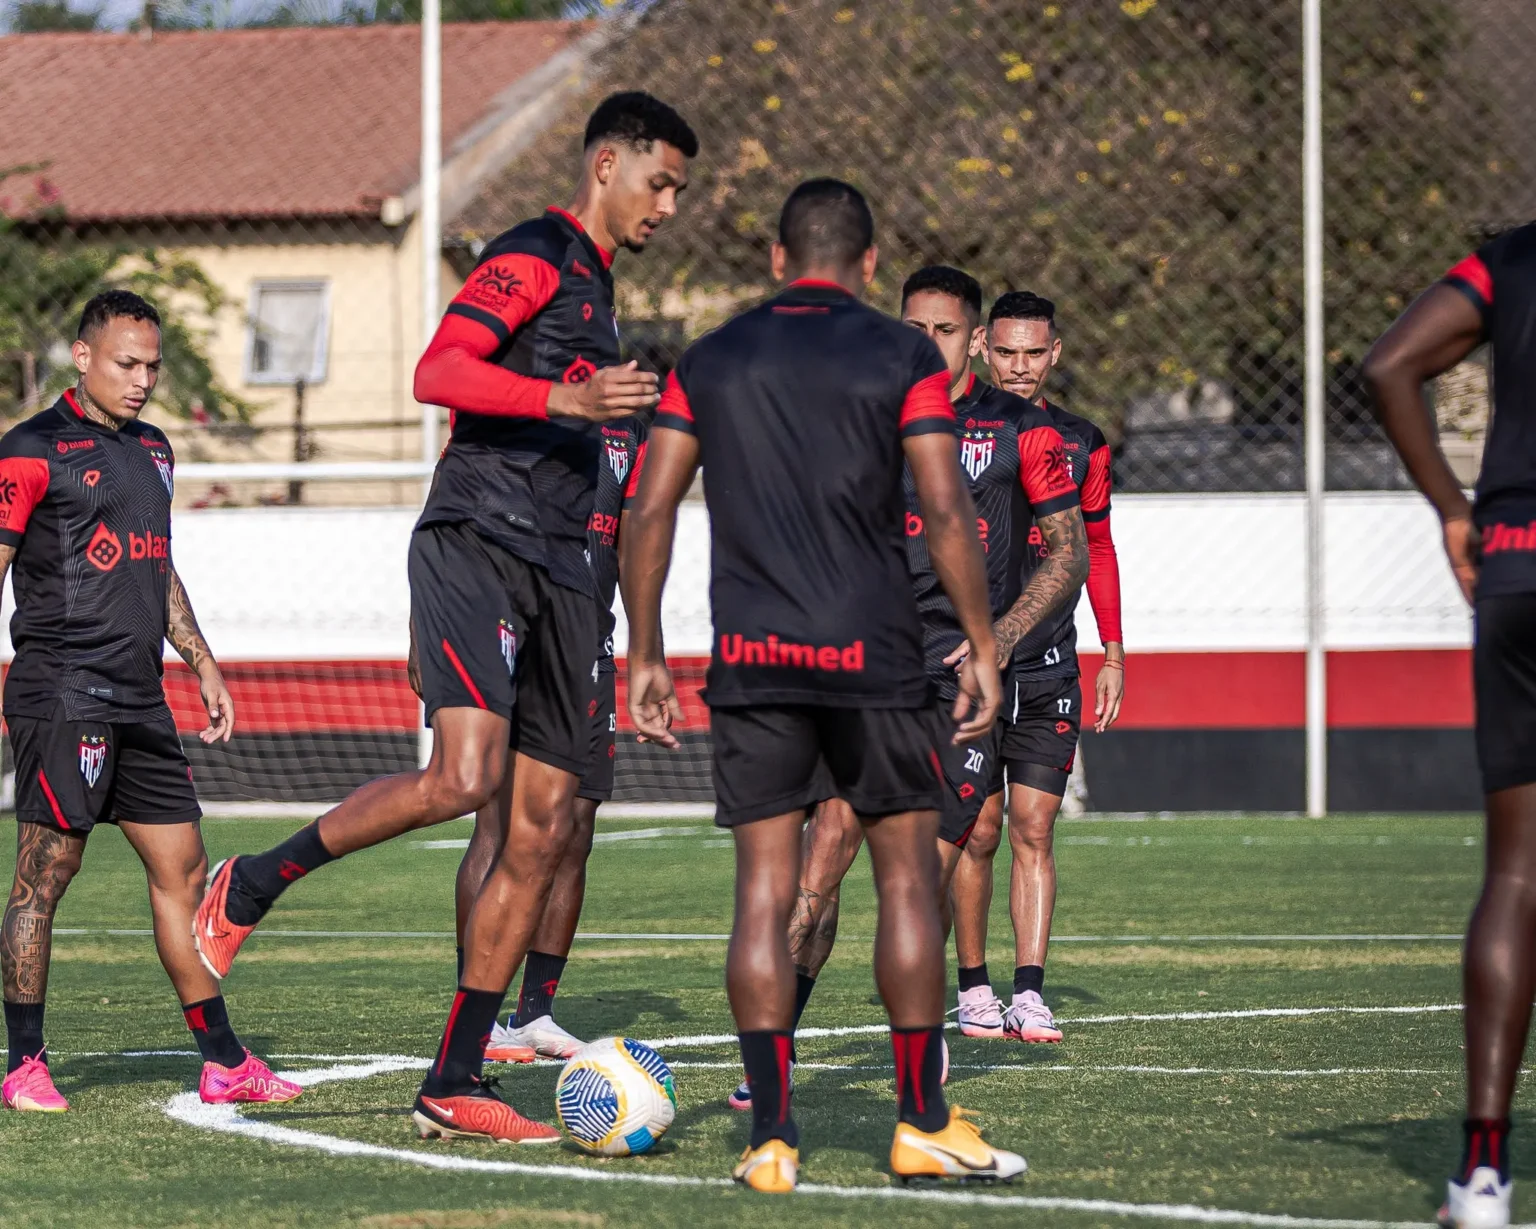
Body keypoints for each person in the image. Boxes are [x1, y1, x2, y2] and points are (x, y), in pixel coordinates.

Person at [193, 93, 696, 1144]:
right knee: (464, 777)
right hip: (479, 536)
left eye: (679, 190)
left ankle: (456, 1075)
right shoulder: (538, 251)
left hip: (567, 575)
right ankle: (254, 877)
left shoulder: (603, 295)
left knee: (545, 825)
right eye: (662, 182)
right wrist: (561, 403)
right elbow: (439, 370)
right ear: (607, 164)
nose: (670, 204)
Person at [622, 181, 1024, 1191]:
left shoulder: (711, 357)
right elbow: (941, 502)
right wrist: (979, 638)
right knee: (901, 879)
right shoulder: (900, 354)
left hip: (752, 660)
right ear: (873, 264)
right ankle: (921, 1120)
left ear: (773, 258)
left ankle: (771, 1137)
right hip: (875, 653)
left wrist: (644, 651)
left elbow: (651, 506)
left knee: (764, 888)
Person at [724, 266, 1088, 1112]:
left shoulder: (1021, 429)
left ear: (976, 340)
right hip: (859, 668)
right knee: (819, 863)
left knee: (914, 873)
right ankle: (768, 1062)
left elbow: (1067, 554)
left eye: (948, 331)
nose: (929, 345)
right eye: (914, 328)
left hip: (953, 685)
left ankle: (919, 1060)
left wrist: (991, 645)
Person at [1, 291, 299, 1113]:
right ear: (83, 355)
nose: (141, 380)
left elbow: (154, 563)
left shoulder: (156, 450)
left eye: (153, 366)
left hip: (140, 695)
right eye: (127, 364)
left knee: (185, 869)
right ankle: (25, 1062)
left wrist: (200, 659)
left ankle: (223, 1059)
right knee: (46, 873)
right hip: (61, 690)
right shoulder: (30, 449)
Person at [1363, 223, 1536, 1229]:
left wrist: (1451, 507)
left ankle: (1480, 1172)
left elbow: (1391, 363)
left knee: (1515, 871)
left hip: (1515, 563)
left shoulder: (1510, 260)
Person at [947, 291, 1125, 1044]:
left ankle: (1029, 991)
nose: (1020, 367)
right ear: (985, 346)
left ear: (1055, 353)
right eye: (1007, 352)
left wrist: (1113, 647)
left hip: (1051, 664)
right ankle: (974, 987)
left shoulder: (1083, 442)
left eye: (1035, 353)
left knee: (1034, 827)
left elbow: (1098, 547)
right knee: (977, 829)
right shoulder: (945, 433)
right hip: (968, 667)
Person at [476, 415, 648, 1062]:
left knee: (576, 825)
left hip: (590, 638)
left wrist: (643, 647)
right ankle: (480, 1013)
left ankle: (536, 1011)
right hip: (511, 626)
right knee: (496, 823)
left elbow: (632, 537)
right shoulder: (518, 397)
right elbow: (446, 512)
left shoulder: (631, 429)